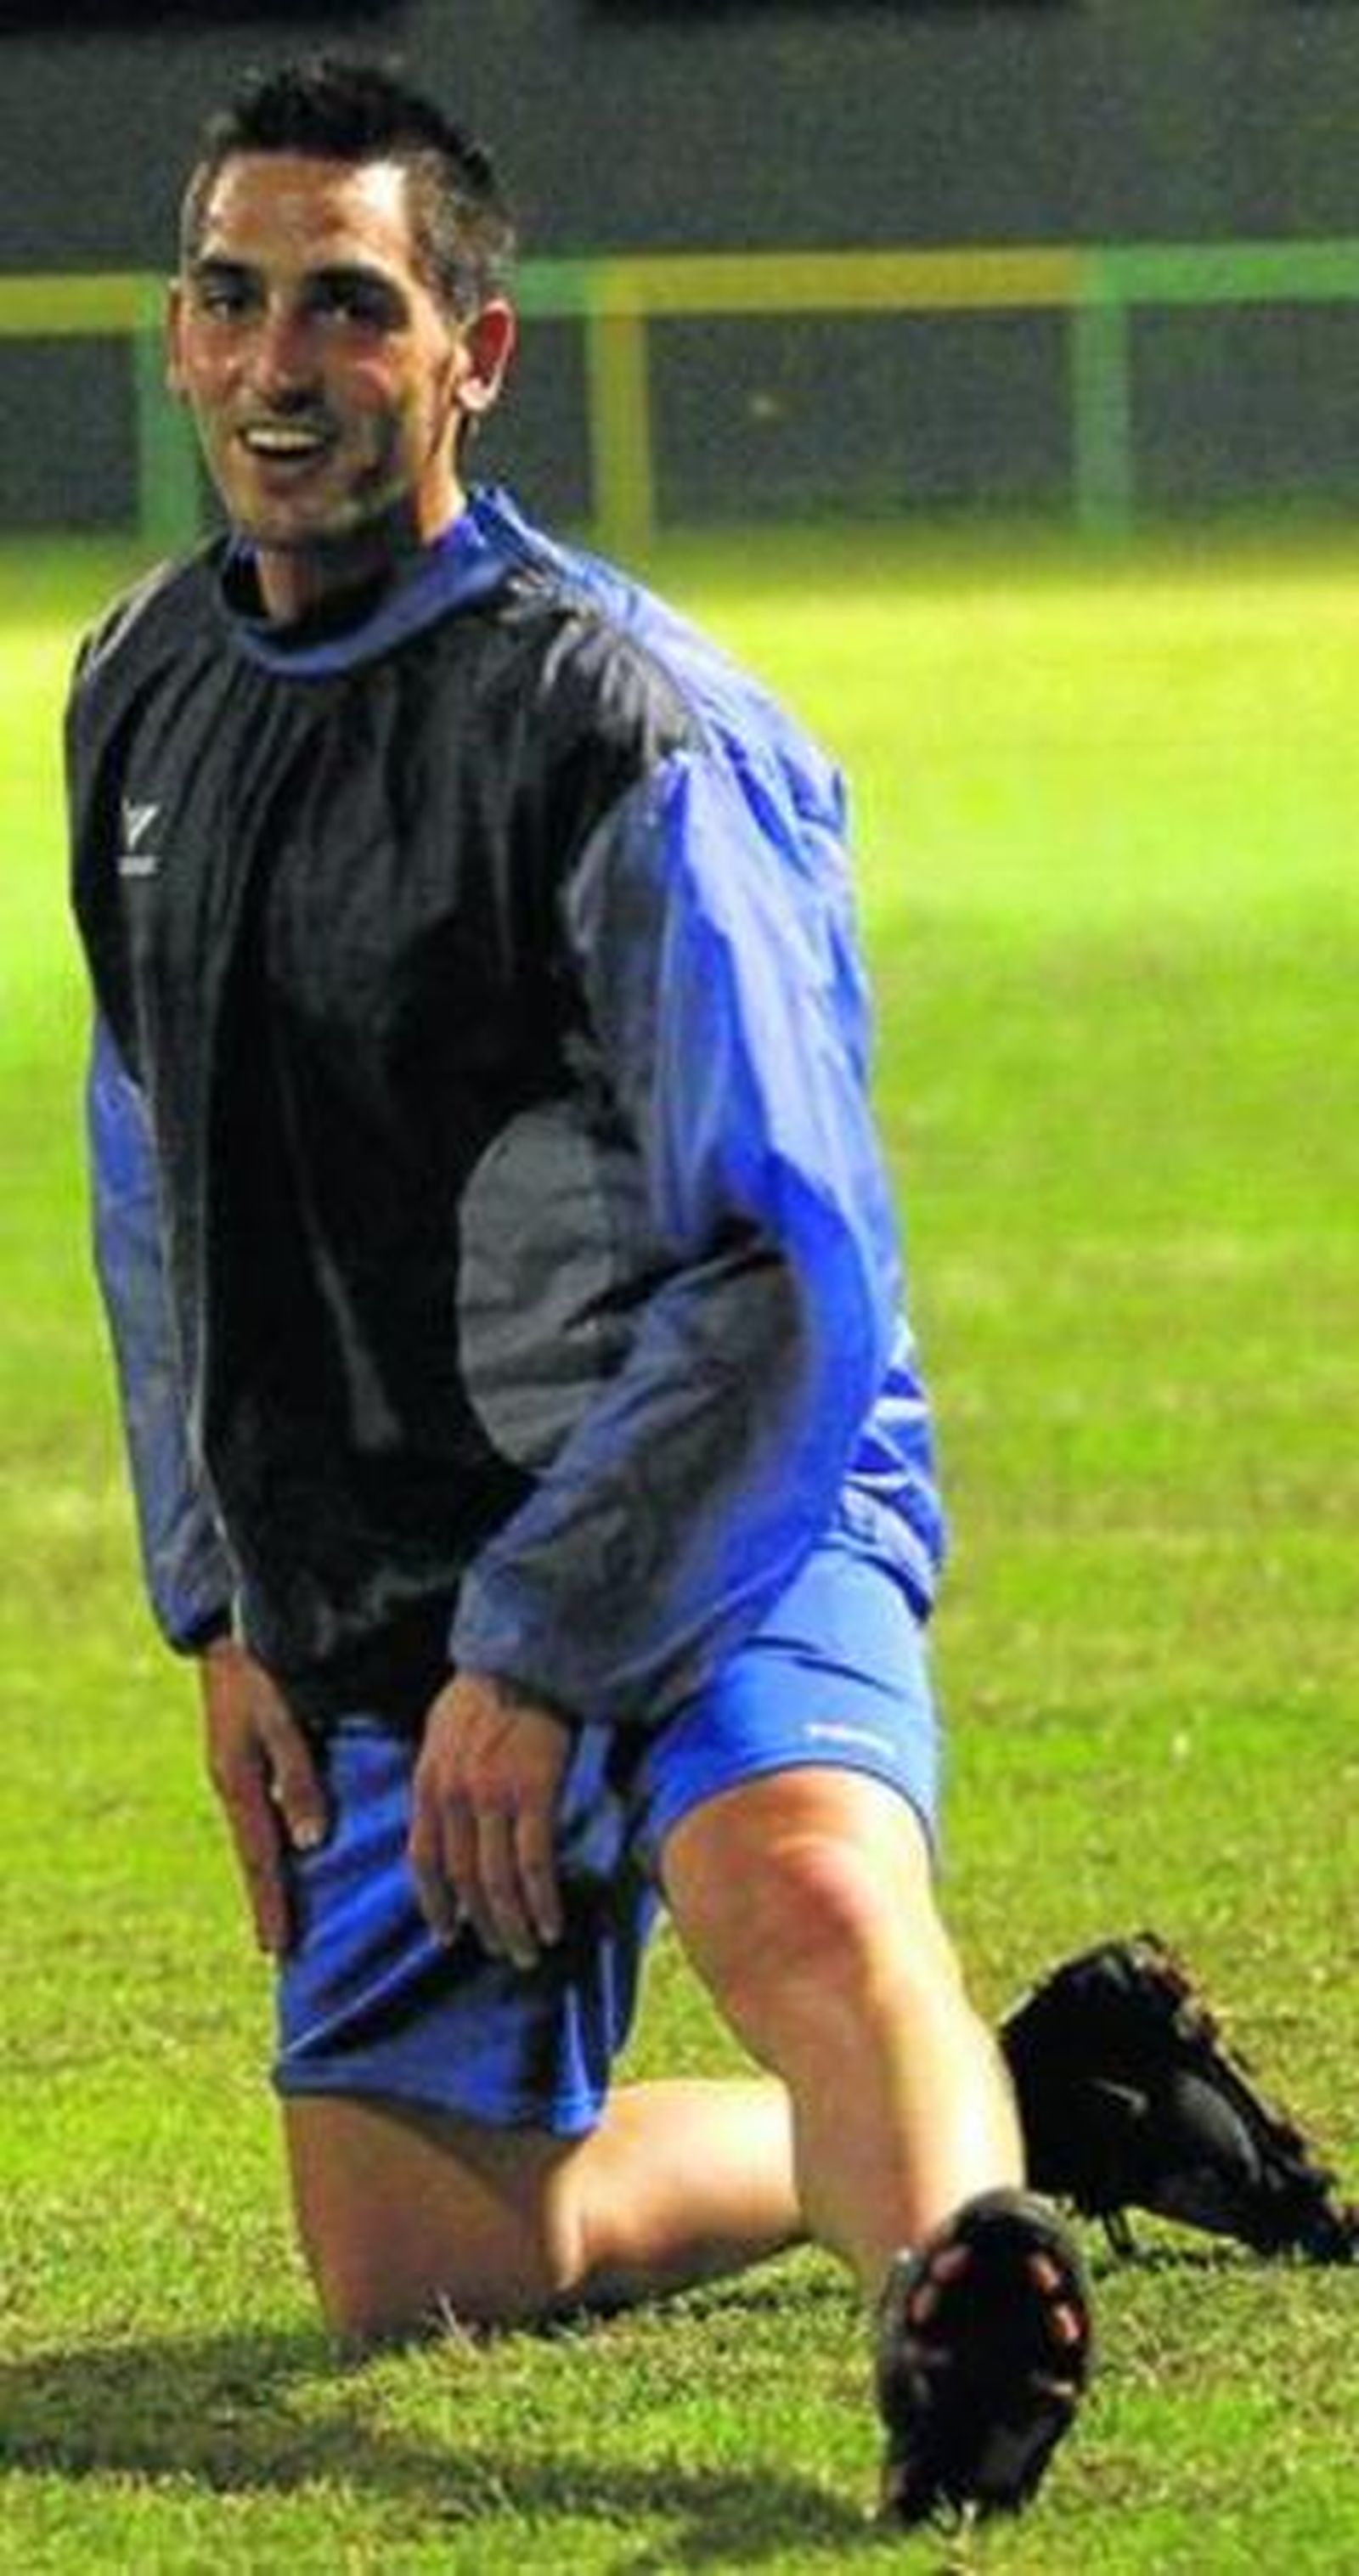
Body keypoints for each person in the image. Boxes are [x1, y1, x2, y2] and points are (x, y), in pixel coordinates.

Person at [67, 55, 1091, 2526]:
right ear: (182, 334)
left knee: (802, 1884)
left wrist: (546, 1643)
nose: (281, 362)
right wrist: (226, 1602)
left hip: (713, 1475)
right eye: (234, 297)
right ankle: (1026, 2099)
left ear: (471, 354)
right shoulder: (135, 693)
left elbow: (782, 1264)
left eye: (350, 303)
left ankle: (951, 2302)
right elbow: (157, 1179)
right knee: (419, 2255)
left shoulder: (627, 731)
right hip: (390, 1573)